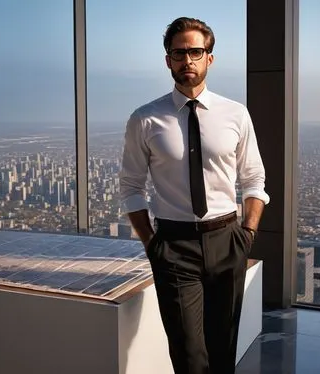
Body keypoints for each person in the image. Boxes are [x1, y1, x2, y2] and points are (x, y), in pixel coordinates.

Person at [119, 16, 269, 374]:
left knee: (223, 350)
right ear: (168, 60)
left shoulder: (235, 114)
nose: (188, 60)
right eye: (179, 52)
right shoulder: (145, 119)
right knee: (188, 355)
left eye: (195, 52)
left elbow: (254, 178)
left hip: (226, 238)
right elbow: (131, 187)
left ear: (209, 58)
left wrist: (247, 234)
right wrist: (152, 244)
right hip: (173, 245)